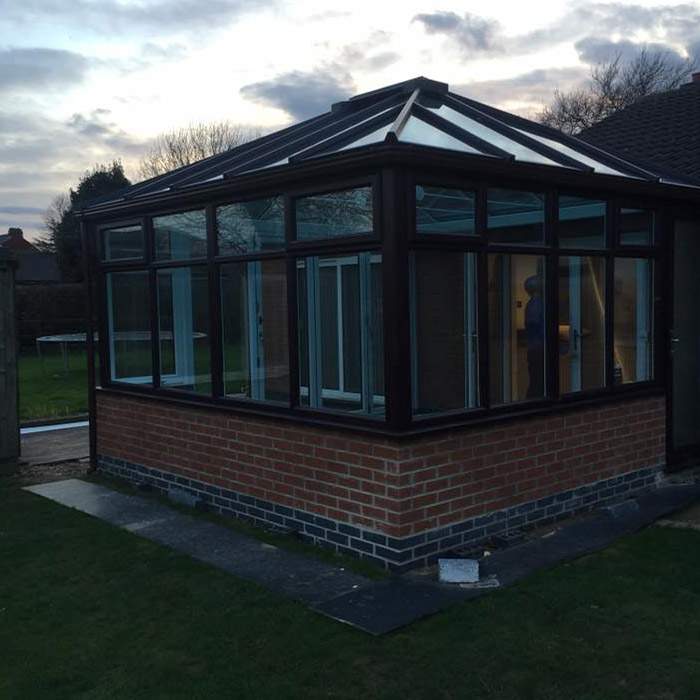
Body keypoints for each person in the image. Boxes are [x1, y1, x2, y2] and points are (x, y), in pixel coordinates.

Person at [524, 275, 544, 398]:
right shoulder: (537, 305)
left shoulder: (531, 304)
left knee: (536, 378)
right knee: (538, 380)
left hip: (533, 348)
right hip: (538, 349)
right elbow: (540, 328)